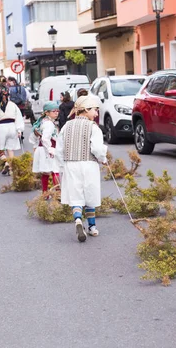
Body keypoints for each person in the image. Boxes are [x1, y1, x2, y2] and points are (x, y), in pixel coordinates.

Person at [55, 95, 108, 242]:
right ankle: (92, 227)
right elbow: (97, 149)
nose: (96, 114)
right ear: (85, 110)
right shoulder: (93, 127)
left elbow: (59, 149)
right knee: (90, 194)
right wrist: (103, 159)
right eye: (95, 110)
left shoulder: (66, 126)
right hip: (89, 164)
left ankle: (78, 219)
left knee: (76, 194)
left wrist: (62, 165)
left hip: (71, 164)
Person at [0, 87, 25, 175]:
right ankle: (11, 168)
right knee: (10, 149)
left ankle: (6, 162)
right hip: (12, 127)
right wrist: (19, 129)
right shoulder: (13, 105)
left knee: (0, 148)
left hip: (1, 127)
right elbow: (19, 117)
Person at [30, 101, 60, 195]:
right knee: (55, 170)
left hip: (43, 149)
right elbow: (45, 138)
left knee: (46, 172)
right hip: (48, 149)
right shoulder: (49, 124)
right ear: (47, 112)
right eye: (54, 111)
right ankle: (58, 193)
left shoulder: (43, 121)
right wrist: (50, 149)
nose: (56, 113)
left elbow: (35, 136)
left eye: (57, 111)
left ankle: (45, 193)